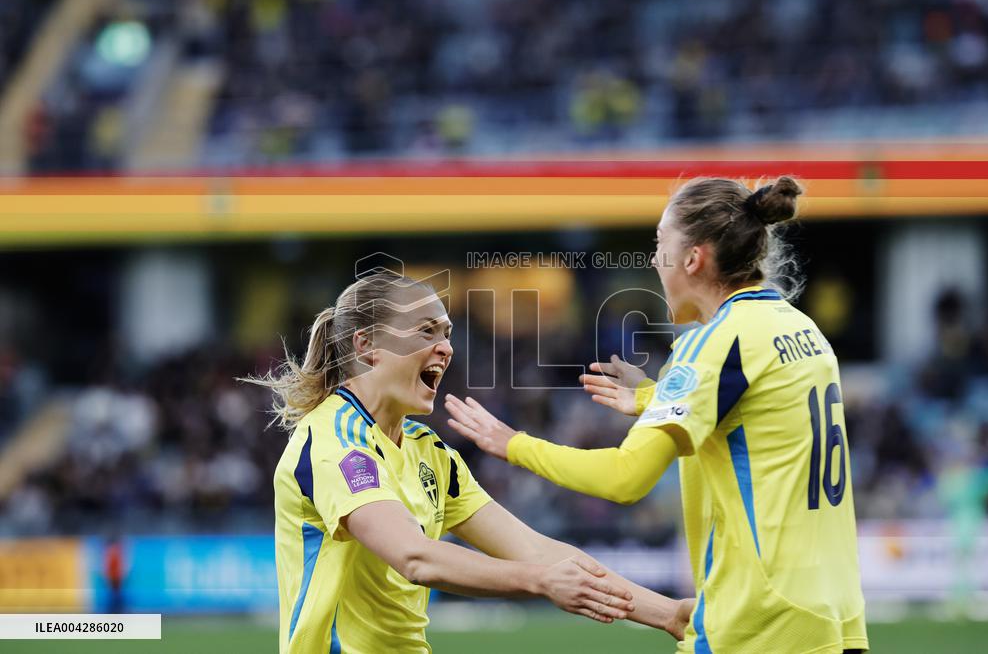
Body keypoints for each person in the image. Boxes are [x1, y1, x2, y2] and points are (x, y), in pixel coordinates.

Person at [446, 177, 869, 654]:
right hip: (833, 613)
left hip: (758, 622)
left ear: (693, 258)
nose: (651, 259)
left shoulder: (712, 344)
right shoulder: (801, 328)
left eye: (658, 243)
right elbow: (752, 418)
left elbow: (626, 479)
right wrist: (653, 397)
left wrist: (513, 444)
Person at [246, 273, 692, 654]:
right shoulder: (334, 442)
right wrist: (540, 581)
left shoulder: (428, 451)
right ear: (367, 346)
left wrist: (670, 614)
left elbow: (537, 549)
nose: (445, 348)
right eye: (426, 331)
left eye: (446, 334)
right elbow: (415, 557)